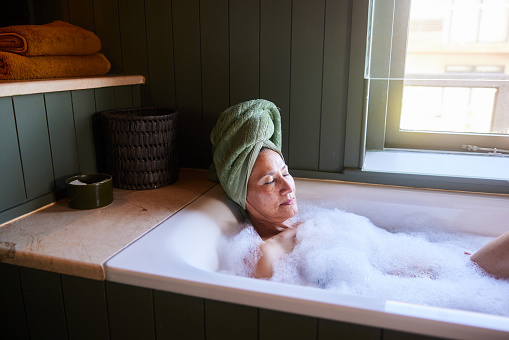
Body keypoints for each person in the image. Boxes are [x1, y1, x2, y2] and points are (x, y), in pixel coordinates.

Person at [209, 99, 509, 280]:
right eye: (269, 181)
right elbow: (258, 264)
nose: (288, 186)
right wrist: (297, 232)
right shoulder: (261, 248)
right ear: (242, 196)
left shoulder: (316, 225)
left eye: (286, 173)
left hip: (438, 272)